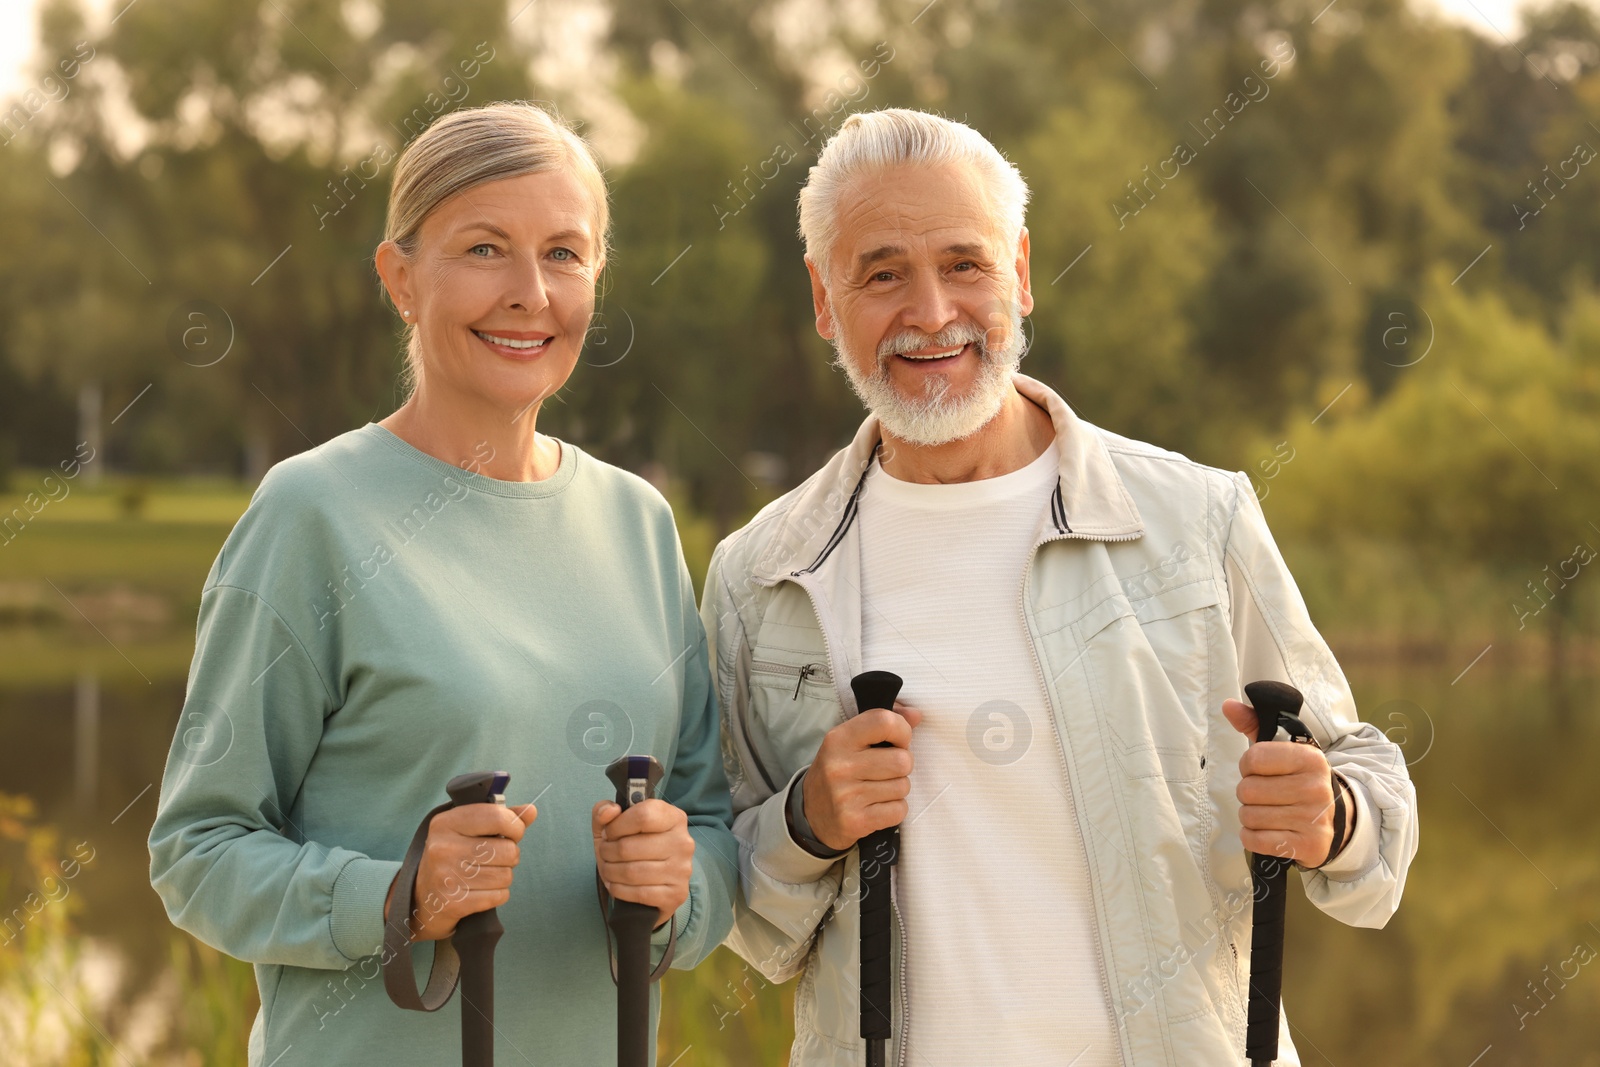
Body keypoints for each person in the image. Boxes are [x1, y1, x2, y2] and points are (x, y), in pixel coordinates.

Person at [702, 108, 1419, 1066]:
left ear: (1022, 274)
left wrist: (1331, 816)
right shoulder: (762, 573)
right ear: (825, 301)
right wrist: (806, 822)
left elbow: (1367, 788)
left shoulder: (1194, 518)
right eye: (882, 273)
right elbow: (747, 920)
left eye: (965, 263)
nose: (929, 312)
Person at [148, 102, 736, 1066]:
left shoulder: (640, 521)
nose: (529, 292)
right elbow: (197, 850)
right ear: (399, 278)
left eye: (564, 253)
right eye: (483, 249)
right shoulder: (312, 515)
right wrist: (398, 898)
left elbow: (707, 829)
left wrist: (679, 884)